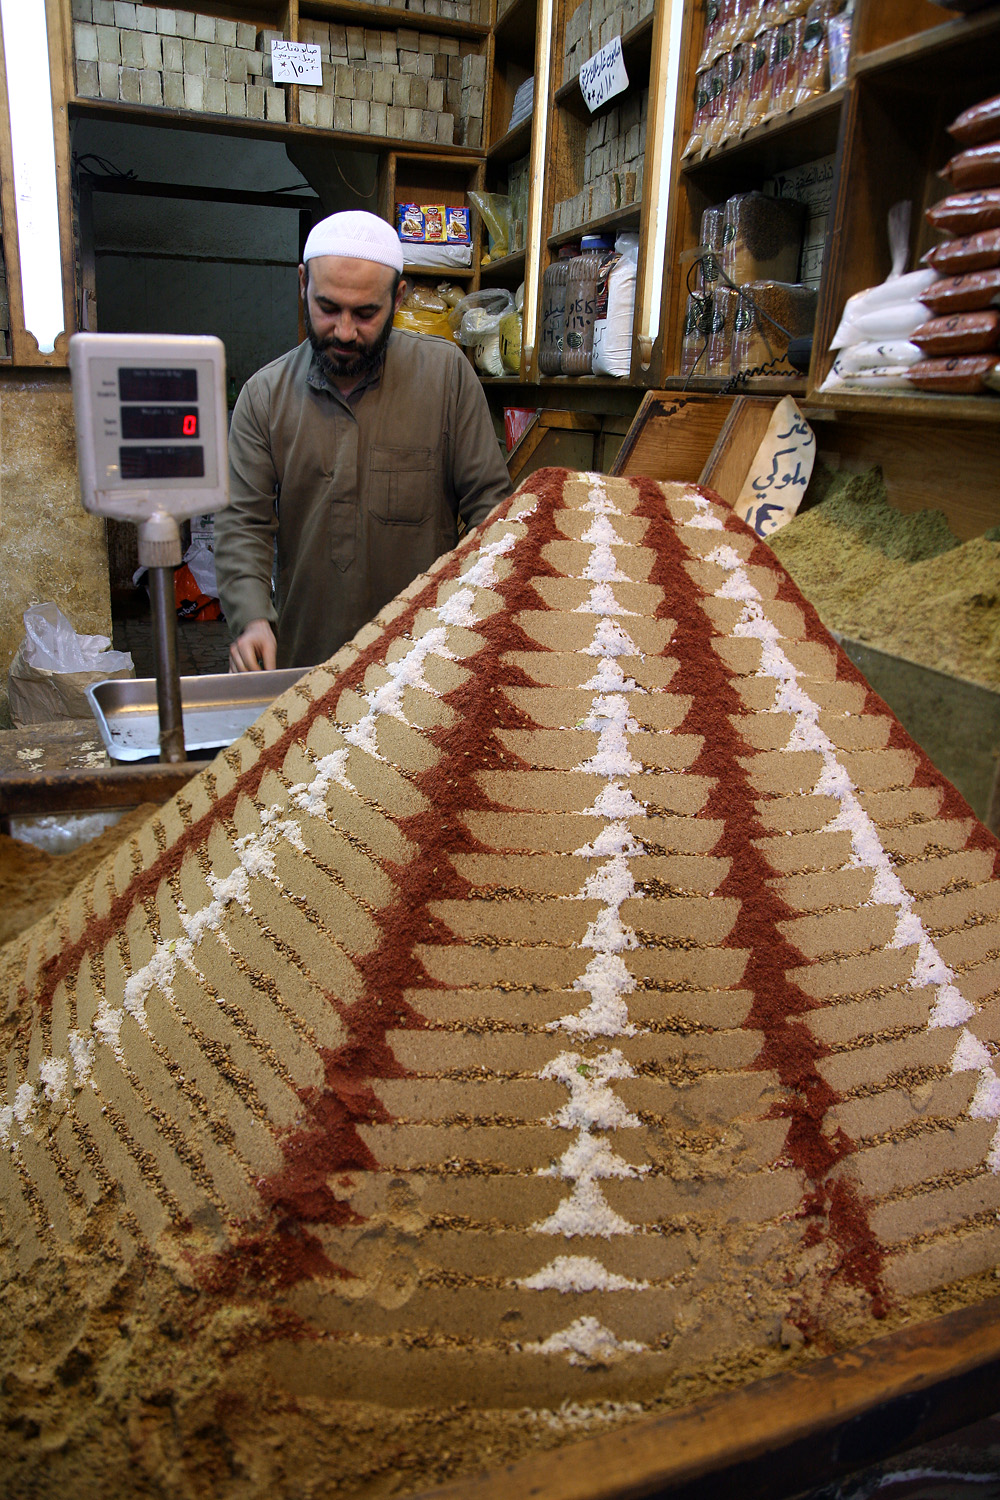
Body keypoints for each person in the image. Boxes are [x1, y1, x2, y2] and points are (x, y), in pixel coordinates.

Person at [216, 209, 512, 672]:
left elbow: (491, 512)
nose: (344, 331)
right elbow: (243, 523)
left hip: (422, 663)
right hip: (304, 663)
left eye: (366, 313)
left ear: (398, 297)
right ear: (303, 284)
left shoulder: (447, 377)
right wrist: (251, 617)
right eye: (327, 308)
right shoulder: (264, 397)